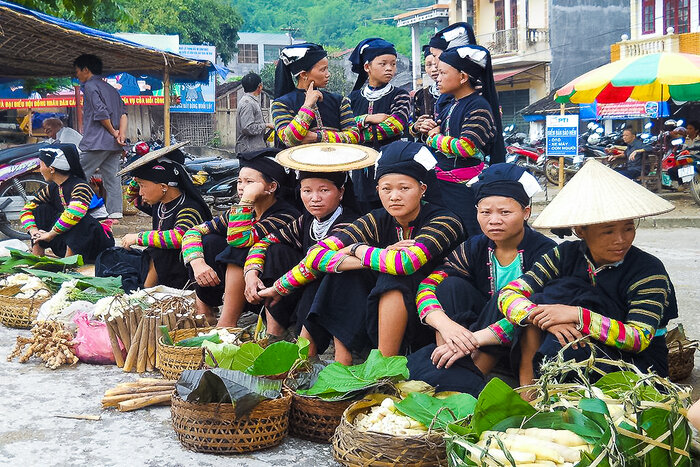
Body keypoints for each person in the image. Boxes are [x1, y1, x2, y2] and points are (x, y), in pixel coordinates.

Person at [258, 141, 464, 363]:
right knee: (343, 274)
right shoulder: (377, 219)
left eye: (404, 188)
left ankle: (384, 366)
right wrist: (280, 287)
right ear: (378, 191)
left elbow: (404, 263)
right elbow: (316, 255)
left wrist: (357, 249)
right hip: (381, 311)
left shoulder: (445, 220)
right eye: (386, 189)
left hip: (434, 308)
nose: (394, 196)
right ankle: (341, 361)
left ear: (422, 189)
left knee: (391, 276)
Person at [495, 159, 678, 386]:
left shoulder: (648, 270)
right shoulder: (564, 255)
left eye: (628, 228)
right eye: (608, 231)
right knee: (540, 304)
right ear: (581, 230)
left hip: (638, 365)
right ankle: (529, 388)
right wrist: (545, 318)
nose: (621, 240)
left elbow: (638, 338)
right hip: (578, 345)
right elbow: (509, 293)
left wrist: (577, 316)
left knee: (568, 343)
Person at [406, 164, 555, 394]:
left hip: (522, 340)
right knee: (451, 286)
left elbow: (539, 310)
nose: (494, 220)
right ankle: (450, 359)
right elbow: (429, 285)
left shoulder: (546, 251)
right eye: (485, 212)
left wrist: (475, 339)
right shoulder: (475, 247)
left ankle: (513, 383)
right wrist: (445, 325)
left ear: (526, 212)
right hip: (470, 339)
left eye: (505, 212)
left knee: (513, 301)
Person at [182, 148, 300, 326]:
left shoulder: (285, 214)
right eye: (239, 181)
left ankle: (227, 323)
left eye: (249, 182)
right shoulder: (238, 212)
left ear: (272, 186)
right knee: (210, 241)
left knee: (238, 248)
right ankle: (205, 310)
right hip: (244, 286)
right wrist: (198, 263)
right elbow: (193, 232)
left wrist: (247, 199)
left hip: (274, 290)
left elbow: (239, 239)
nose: (241, 186)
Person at [244, 166, 359, 337]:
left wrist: (278, 287)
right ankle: (274, 333)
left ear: (341, 192)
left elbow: (316, 262)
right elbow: (264, 242)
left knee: (324, 280)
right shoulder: (306, 220)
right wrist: (251, 274)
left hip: (334, 296)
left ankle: (308, 349)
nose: (315, 198)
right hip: (298, 285)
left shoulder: (350, 224)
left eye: (324, 190)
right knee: (276, 251)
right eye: (307, 191)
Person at [417, 44, 506, 236]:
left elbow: (466, 147)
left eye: (442, 73)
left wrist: (434, 137)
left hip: (464, 188)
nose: (437, 78)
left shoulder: (478, 106)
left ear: (463, 77)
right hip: (444, 184)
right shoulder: (451, 105)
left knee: (466, 233)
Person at [105, 143, 212, 290]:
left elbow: (180, 236)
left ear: (163, 186)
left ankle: (145, 291)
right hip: (162, 267)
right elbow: (132, 198)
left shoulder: (189, 208)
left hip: (182, 271)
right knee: (110, 256)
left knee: (157, 249)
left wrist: (138, 237)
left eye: (143, 185)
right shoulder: (160, 202)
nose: (140, 192)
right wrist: (138, 176)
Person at [19, 144, 114, 261]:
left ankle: (69, 263)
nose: (40, 169)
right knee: (40, 209)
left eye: (41, 165)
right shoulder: (53, 188)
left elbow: (74, 213)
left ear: (52, 169)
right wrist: (34, 231)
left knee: (75, 217)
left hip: (95, 243)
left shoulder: (80, 186)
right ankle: (37, 256)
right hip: (67, 239)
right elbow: (27, 209)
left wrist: (50, 234)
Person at [348, 38, 411, 212]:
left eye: (393, 63)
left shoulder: (401, 95)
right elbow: (344, 127)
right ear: (367, 67)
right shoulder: (352, 98)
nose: (389, 68)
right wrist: (367, 118)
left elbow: (395, 125)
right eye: (383, 63)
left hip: (390, 163)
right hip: (359, 166)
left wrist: (356, 130)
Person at [271, 43, 360, 147]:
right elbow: (289, 139)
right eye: (323, 69)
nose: (328, 74)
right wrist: (308, 105)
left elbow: (354, 136)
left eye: (327, 68)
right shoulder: (281, 104)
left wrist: (317, 137)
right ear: (304, 74)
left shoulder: (339, 101)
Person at [73, 54, 128, 219]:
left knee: (77, 175)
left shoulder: (90, 86)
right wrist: (121, 135)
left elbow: (101, 112)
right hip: (114, 144)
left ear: (86, 70)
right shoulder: (111, 88)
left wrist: (113, 131)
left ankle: (73, 210)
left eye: (77, 71)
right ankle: (115, 213)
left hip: (97, 142)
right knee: (112, 178)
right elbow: (124, 113)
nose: (76, 75)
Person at [236, 72, 273, 154]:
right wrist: (266, 125)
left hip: (253, 150)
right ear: (260, 86)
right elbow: (247, 128)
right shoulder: (248, 103)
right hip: (249, 152)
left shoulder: (251, 101)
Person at [410, 46, 440, 139]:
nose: (433, 69)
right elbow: (413, 127)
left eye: (436, 64)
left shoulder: (456, 93)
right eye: (429, 65)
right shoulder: (421, 95)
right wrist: (416, 126)